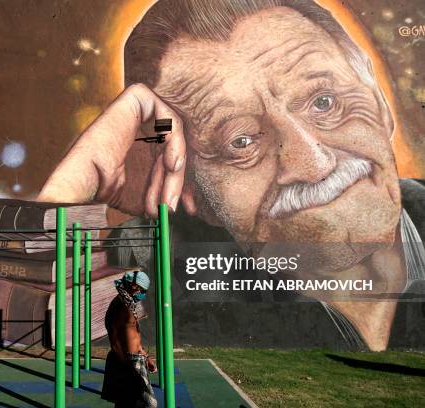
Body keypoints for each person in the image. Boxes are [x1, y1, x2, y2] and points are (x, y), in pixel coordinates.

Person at [38, 0, 425, 351]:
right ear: (191, 191)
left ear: (379, 101)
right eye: (240, 141)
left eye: (325, 102)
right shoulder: (149, 261)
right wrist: (73, 186)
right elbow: (4, 331)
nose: (314, 163)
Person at [102, 270, 157, 408]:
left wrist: (146, 356)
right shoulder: (120, 307)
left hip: (133, 361)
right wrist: (130, 368)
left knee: (127, 403)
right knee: (146, 404)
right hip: (128, 363)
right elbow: (116, 341)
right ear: (134, 287)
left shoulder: (127, 305)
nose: (143, 294)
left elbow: (133, 339)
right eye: (142, 290)